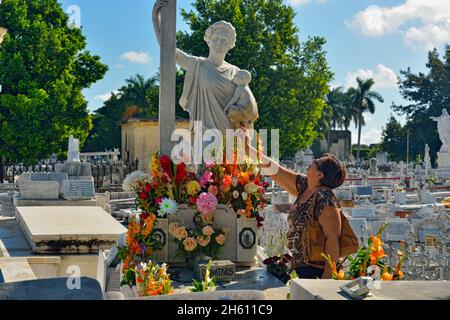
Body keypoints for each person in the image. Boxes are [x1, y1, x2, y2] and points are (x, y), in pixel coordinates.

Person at [246, 139, 346, 279]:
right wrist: (248, 149)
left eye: (316, 162)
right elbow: (275, 170)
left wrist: (327, 278)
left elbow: (333, 238)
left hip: (316, 270)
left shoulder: (325, 198)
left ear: (320, 175)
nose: (312, 161)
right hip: (300, 266)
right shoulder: (305, 185)